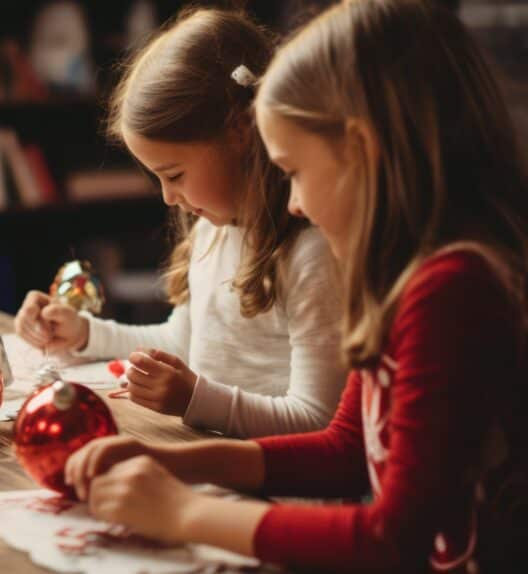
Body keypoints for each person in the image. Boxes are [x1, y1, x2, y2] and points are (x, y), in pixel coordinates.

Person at [66, 1, 528, 571]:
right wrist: (180, 464)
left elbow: (392, 538)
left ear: (360, 150)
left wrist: (184, 513)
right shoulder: (398, 279)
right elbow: (345, 449)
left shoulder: (453, 289)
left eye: (294, 172)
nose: (294, 202)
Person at [16, 7, 347, 438]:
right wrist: (83, 334)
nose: (169, 197)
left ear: (240, 132)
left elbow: (319, 421)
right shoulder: (212, 233)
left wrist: (195, 400)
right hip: (213, 462)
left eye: (174, 175)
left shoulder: (312, 255)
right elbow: (182, 344)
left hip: (275, 486)